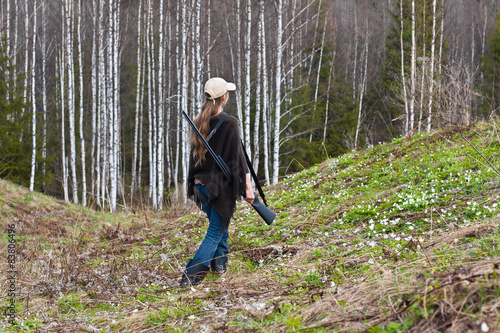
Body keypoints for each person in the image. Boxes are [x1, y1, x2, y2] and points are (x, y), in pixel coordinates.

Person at [180, 77, 255, 288]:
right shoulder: (229, 122)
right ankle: (190, 279)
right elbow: (238, 159)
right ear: (224, 97)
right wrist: (248, 188)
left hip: (201, 186)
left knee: (221, 228)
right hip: (219, 189)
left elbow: (194, 160)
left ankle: (220, 270)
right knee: (214, 232)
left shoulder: (198, 122)